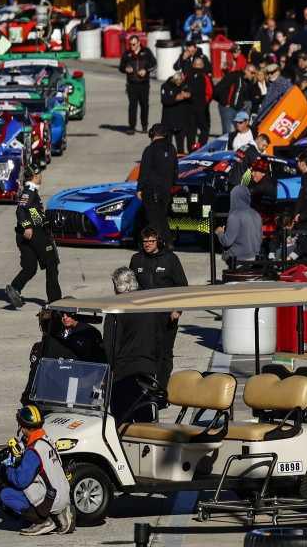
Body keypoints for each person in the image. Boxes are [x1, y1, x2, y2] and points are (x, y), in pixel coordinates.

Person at [0, 405, 74, 535]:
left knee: (5, 493)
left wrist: (5, 469)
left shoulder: (33, 451)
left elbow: (20, 481)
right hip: (63, 496)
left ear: (24, 427)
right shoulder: (47, 440)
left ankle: (43, 521)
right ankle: (61, 514)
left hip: (50, 500)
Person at [128, 228, 187, 389]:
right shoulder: (136, 259)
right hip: (144, 316)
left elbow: (182, 287)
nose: (147, 244)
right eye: (145, 241)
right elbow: (130, 288)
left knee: (164, 353)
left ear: (158, 241)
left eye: (151, 241)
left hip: (166, 316)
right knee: (145, 352)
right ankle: (145, 387)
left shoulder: (170, 259)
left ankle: (161, 389)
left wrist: (177, 310)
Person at [103, 268, 161, 424]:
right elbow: (159, 338)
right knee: (145, 416)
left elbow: (110, 345)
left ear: (117, 286)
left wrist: (110, 368)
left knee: (122, 418)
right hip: (147, 369)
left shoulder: (116, 310)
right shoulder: (149, 307)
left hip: (124, 371)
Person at [4, 170, 60, 309]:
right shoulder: (29, 191)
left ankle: (15, 288)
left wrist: (42, 220)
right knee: (51, 264)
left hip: (27, 235)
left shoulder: (30, 191)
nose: (41, 177)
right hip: (35, 235)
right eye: (39, 174)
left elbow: (32, 211)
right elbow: (21, 210)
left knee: (30, 267)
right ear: (34, 177)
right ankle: (55, 300)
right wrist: (27, 226)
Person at [137, 124, 177, 245]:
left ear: (152, 134)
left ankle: (163, 243)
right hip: (166, 191)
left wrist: (140, 189)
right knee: (162, 217)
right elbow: (175, 170)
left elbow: (144, 171)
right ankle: (166, 242)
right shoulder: (172, 149)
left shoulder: (150, 150)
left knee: (153, 220)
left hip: (151, 190)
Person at [215, 186, 262, 267]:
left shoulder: (235, 215)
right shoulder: (256, 214)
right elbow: (260, 238)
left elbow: (226, 242)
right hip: (255, 255)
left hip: (239, 257)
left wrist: (220, 232)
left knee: (224, 254)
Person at [118, 34, 155, 134]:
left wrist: (146, 70)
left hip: (144, 84)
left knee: (144, 105)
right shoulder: (127, 54)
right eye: (130, 44)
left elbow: (154, 64)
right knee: (132, 106)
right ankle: (131, 127)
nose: (132, 46)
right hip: (132, 84)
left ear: (139, 43)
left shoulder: (146, 52)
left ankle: (144, 126)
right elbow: (121, 67)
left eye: (134, 44)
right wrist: (125, 69)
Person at [159, 73, 191, 154]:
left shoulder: (185, 85)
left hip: (181, 120)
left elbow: (190, 94)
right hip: (168, 120)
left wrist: (188, 95)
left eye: (181, 81)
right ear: (174, 79)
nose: (179, 83)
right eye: (178, 81)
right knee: (167, 145)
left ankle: (180, 159)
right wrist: (176, 98)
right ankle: (167, 159)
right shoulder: (165, 86)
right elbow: (165, 101)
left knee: (180, 146)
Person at [186, 54, 212, 148]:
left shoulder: (187, 75)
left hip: (189, 106)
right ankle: (201, 146)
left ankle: (191, 148)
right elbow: (210, 92)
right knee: (204, 129)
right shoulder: (205, 76)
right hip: (201, 106)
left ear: (193, 65)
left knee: (191, 130)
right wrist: (205, 102)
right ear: (202, 65)